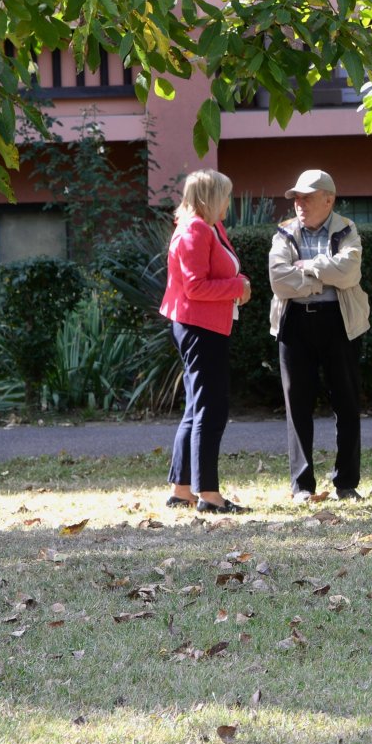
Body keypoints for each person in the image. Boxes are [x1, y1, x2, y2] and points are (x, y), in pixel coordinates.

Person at [268, 168, 371, 501]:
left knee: (347, 402)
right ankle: (302, 486)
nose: (299, 204)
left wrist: (307, 266)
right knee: (297, 405)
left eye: (307, 198)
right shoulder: (284, 232)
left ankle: (346, 484)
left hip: (339, 321)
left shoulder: (347, 229)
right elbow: (279, 280)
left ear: (329, 200)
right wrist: (323, 275)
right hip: (294, 323)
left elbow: (349, 272)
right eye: (296, 198)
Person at [158, 168, 253, 514]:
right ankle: (209, 495)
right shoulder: (195, 230)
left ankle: (181, 490)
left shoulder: (210, 226)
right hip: (199, 328)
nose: (229, 201)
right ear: (210, 197)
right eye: (225, 195)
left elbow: (221, 270)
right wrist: (238, 287)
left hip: (204, 326)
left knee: (197, 407)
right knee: (211, 409)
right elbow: (195, 287)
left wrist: (238, 282)